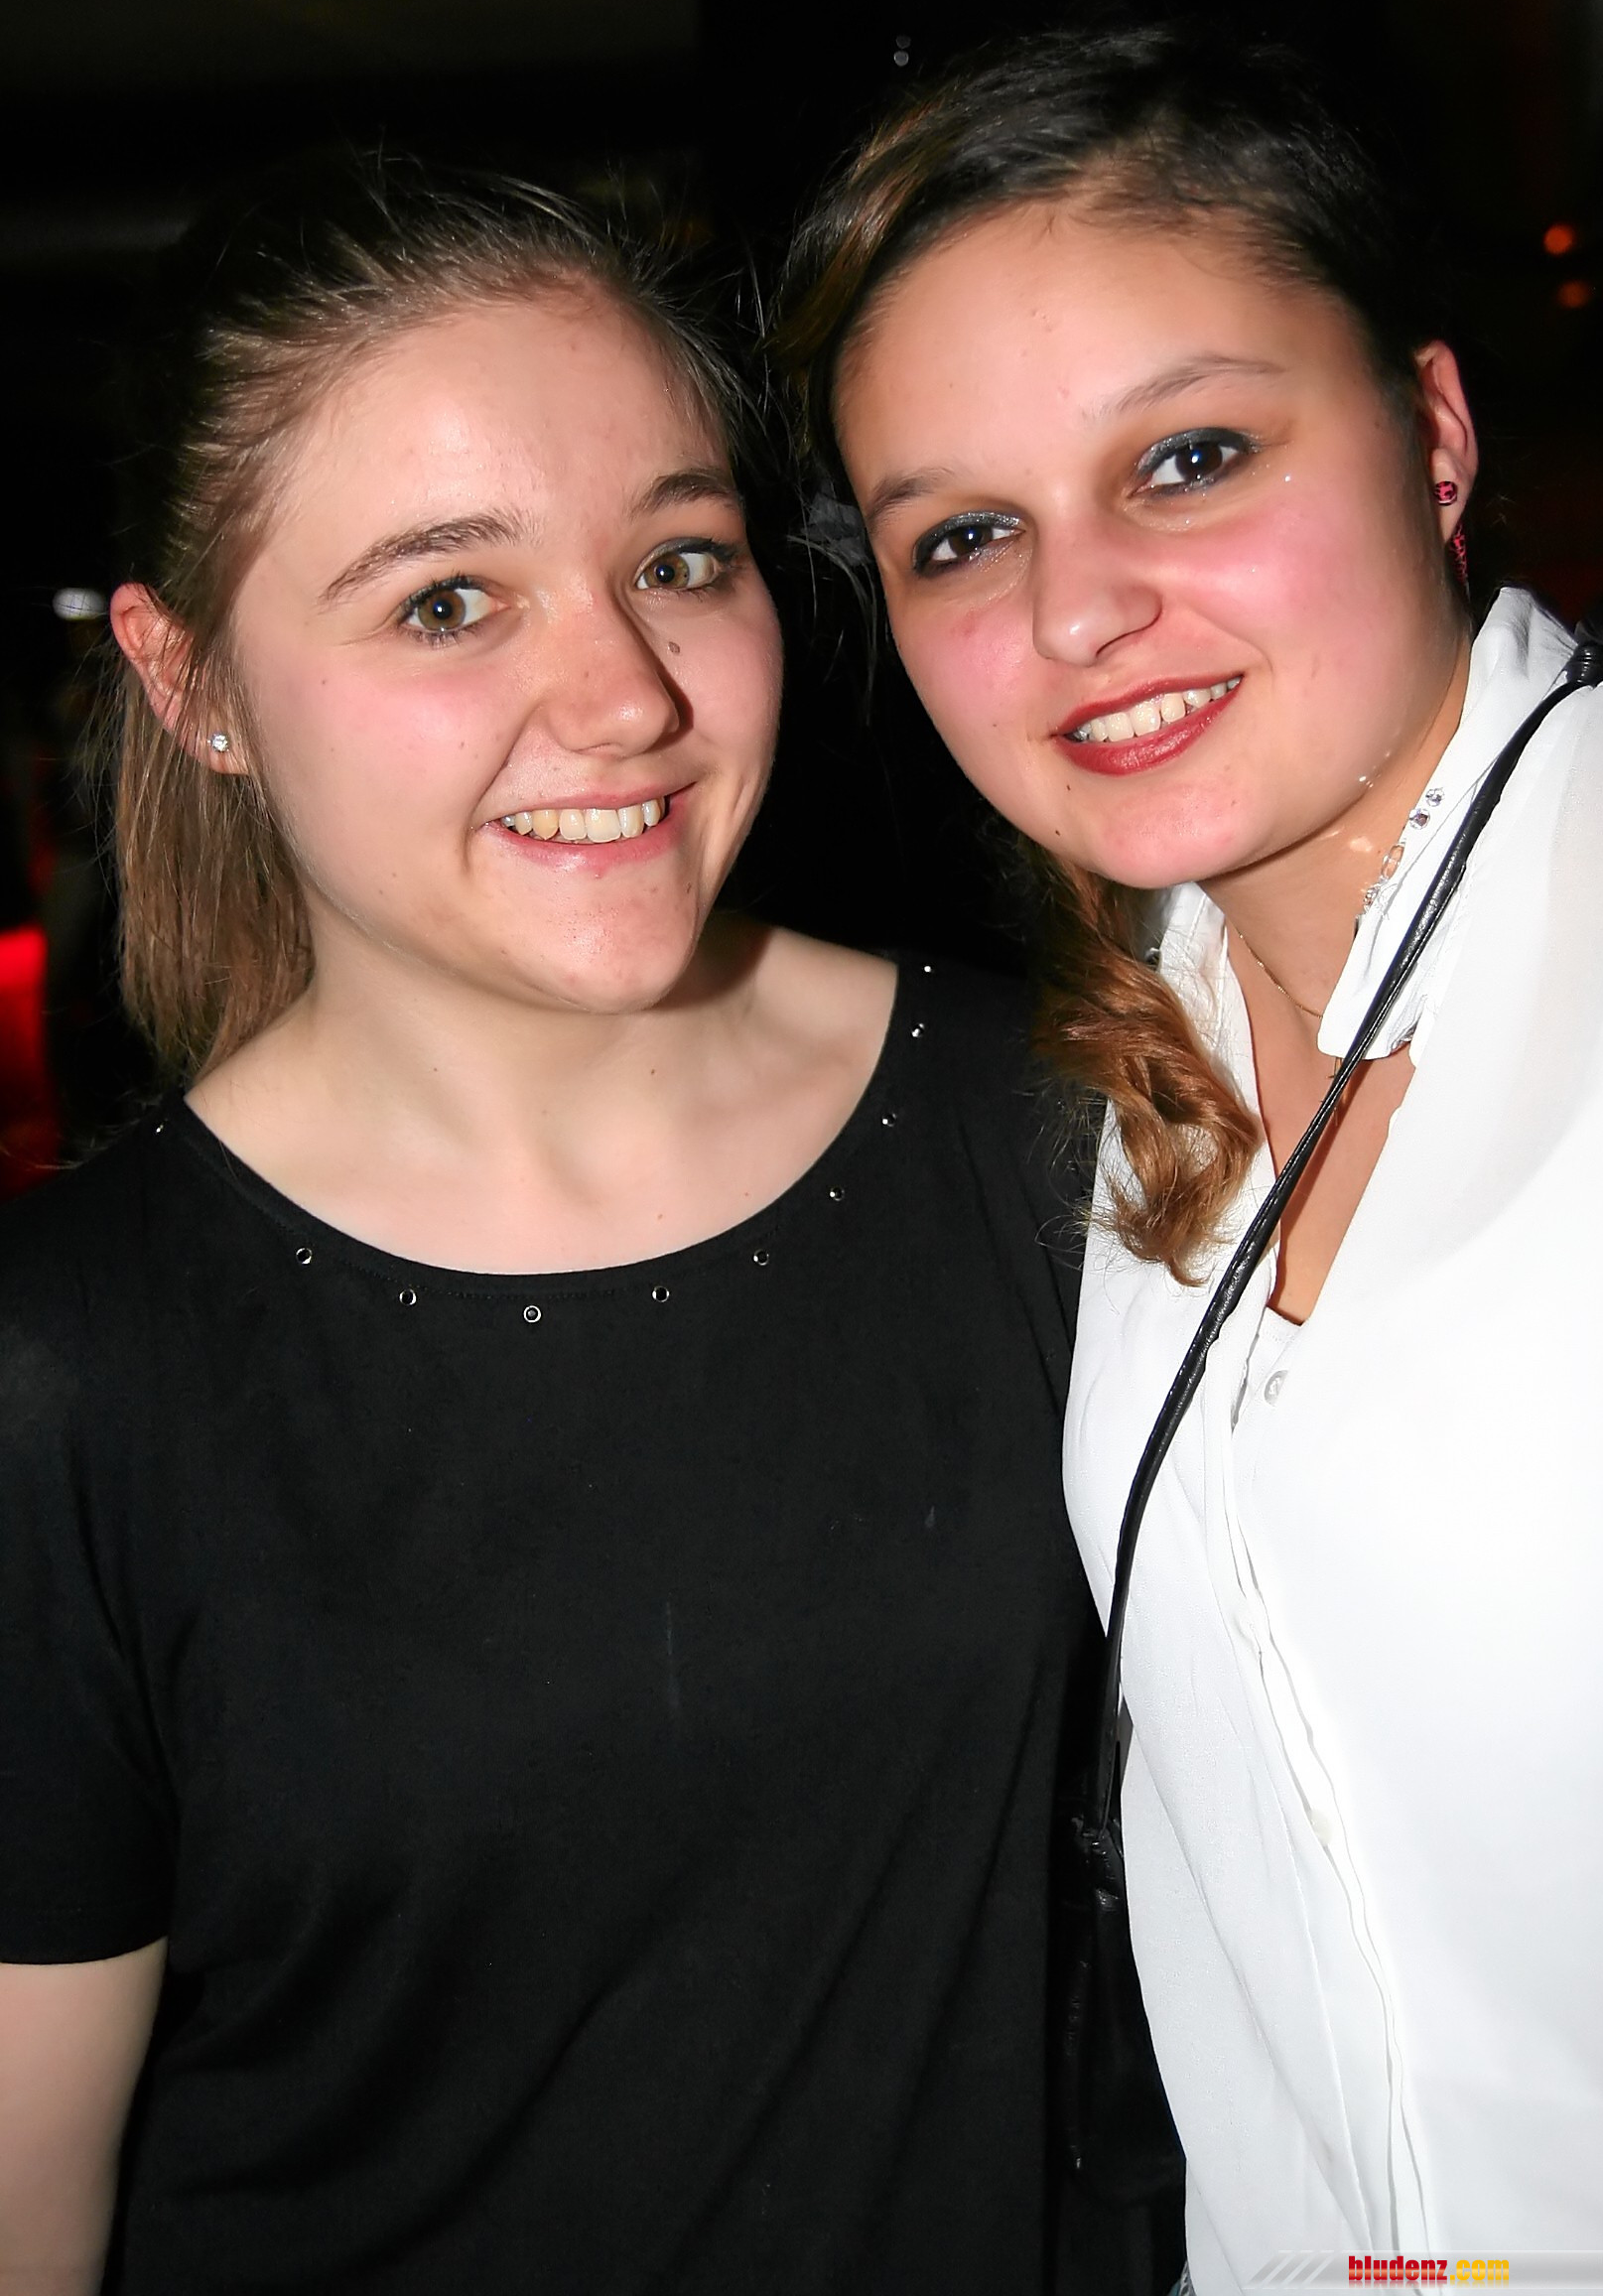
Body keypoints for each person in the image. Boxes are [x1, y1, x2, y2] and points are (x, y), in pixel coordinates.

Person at [0, 154, 1106, 2296]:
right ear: (190, 679)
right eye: (447, 600)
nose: (624, 699)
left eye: (678, 561)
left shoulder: (1056, 1131)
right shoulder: (70, 1376)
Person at [779, 24, 1603, 2285]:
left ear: (1433, 435)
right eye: (964, 536)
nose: (1072, 614)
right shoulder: (1110, 1063)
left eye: (1186, 458)